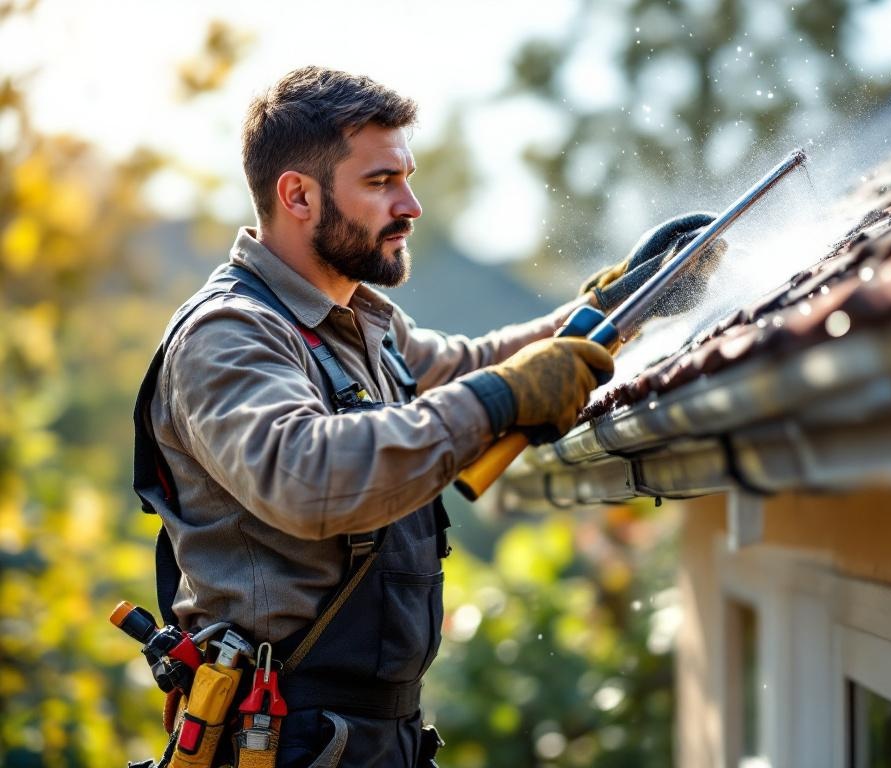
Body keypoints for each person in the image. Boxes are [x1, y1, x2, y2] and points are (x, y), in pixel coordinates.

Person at [134, 65, 719, 768]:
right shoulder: (228, 334)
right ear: (298, 195)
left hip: (370, 739)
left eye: (406, 178)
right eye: (381, 182)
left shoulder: (359, 323)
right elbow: (306, 474)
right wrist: (502, 398)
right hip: (278, 742)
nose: (410, 205)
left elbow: (472, 366)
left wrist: (612, 310)